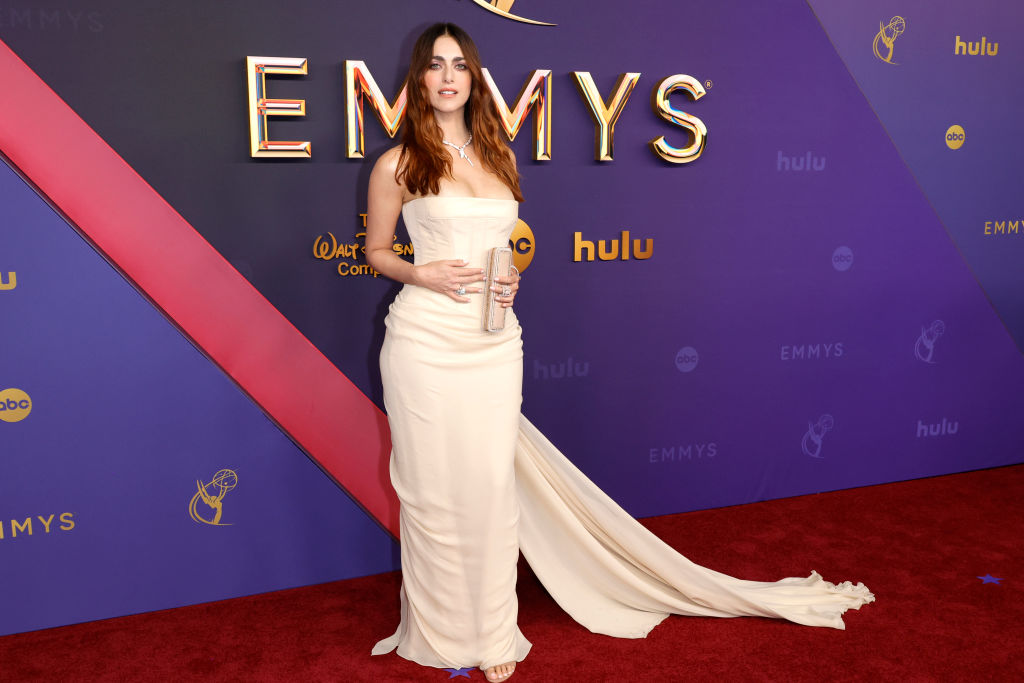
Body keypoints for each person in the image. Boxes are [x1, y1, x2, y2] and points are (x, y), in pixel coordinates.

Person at [365, 23, 874, 683]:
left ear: (473, 76)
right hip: (424, 343)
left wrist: (511, 276)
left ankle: (493, 631)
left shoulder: (501, 156)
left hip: (494, 342)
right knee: (432, 493)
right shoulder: (396, 163)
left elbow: (504, 247)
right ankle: (438, 633)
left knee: (491, 489)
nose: (448, 76)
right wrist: (422, 271)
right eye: (435, 65)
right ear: (419, 78)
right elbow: (376, 252)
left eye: (459, 64)